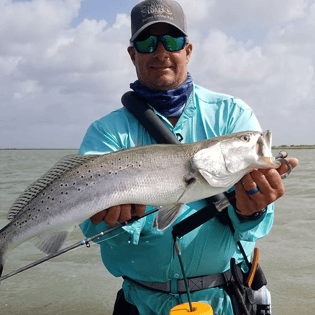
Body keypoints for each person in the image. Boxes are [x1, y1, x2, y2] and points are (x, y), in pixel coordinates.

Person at [79, 1, 298, 314]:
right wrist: (118, 222)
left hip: (225, 298)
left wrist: (252, 210)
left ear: (188, 50)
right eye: (146, 42)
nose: (160, 51)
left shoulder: (232, 114)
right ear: (133, 54)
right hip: (140, 302)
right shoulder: (106, 132)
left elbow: (256, 228)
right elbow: (89, 228)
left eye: (172, 40)